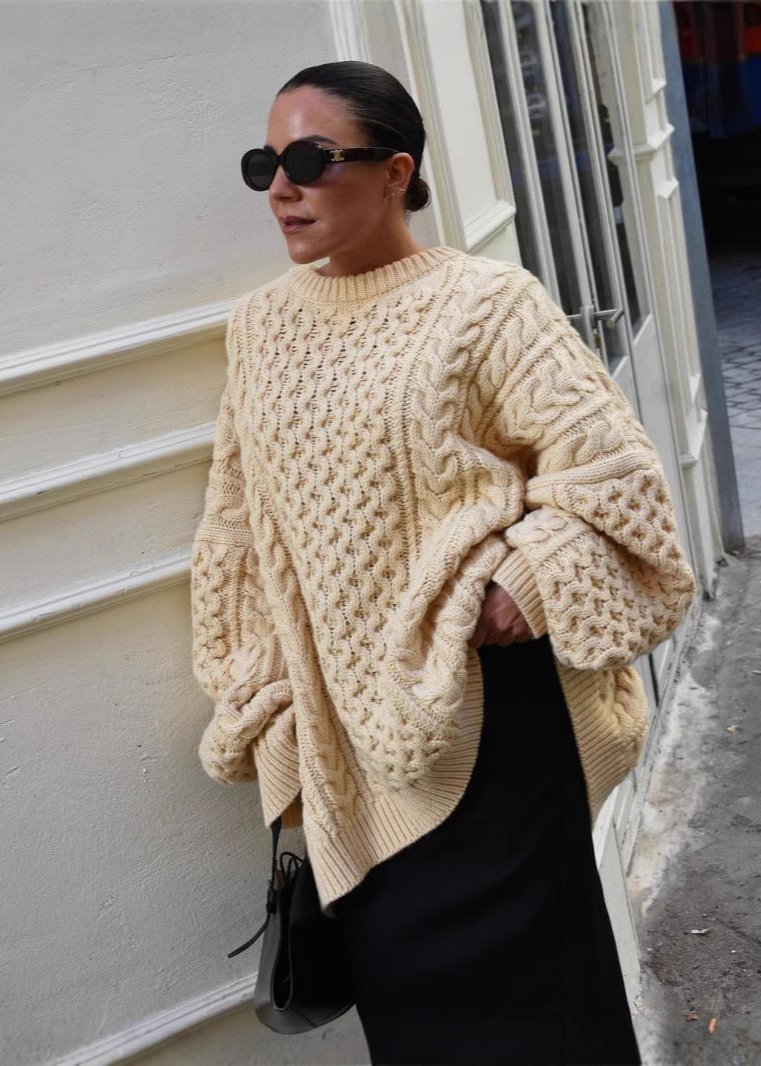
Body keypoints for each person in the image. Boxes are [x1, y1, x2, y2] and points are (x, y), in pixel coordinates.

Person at [190, 60, 696, 1066]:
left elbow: (615, 477)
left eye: (309, 160)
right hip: (348, 742)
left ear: (395, 172)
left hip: (493, 728)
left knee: (546, 1021)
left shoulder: (485, 305)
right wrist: (262, 691)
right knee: (415, 1027)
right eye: (264, 164)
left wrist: (525, 579)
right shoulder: (258, 326)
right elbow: (237, 528)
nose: (281, 188)